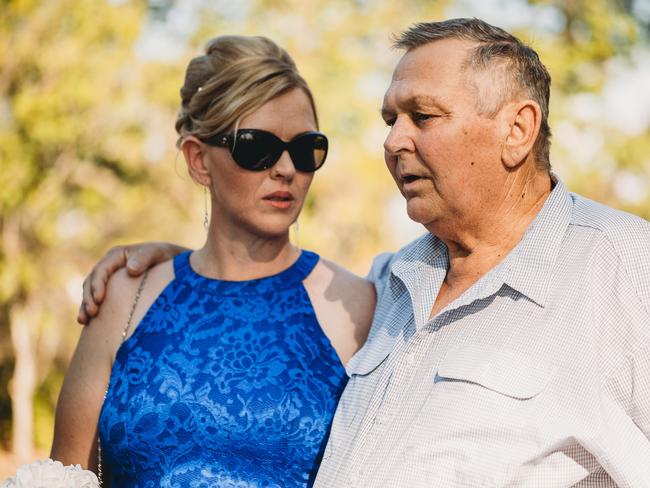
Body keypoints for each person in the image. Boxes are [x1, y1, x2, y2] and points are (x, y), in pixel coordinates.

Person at [79, 19, 650, 487]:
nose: (393, 141)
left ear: (518, 130)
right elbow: (252, 289)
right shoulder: (393, 284)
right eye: (390, 120)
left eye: (422, 116)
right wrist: (176, 267)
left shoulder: (626, 269)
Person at [51, 35, 375, 487]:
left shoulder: (356, 305)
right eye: (257, 146)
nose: (285, 168)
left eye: (305, 149)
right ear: (198, 159)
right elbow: (63, 477)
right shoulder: (126, 297)